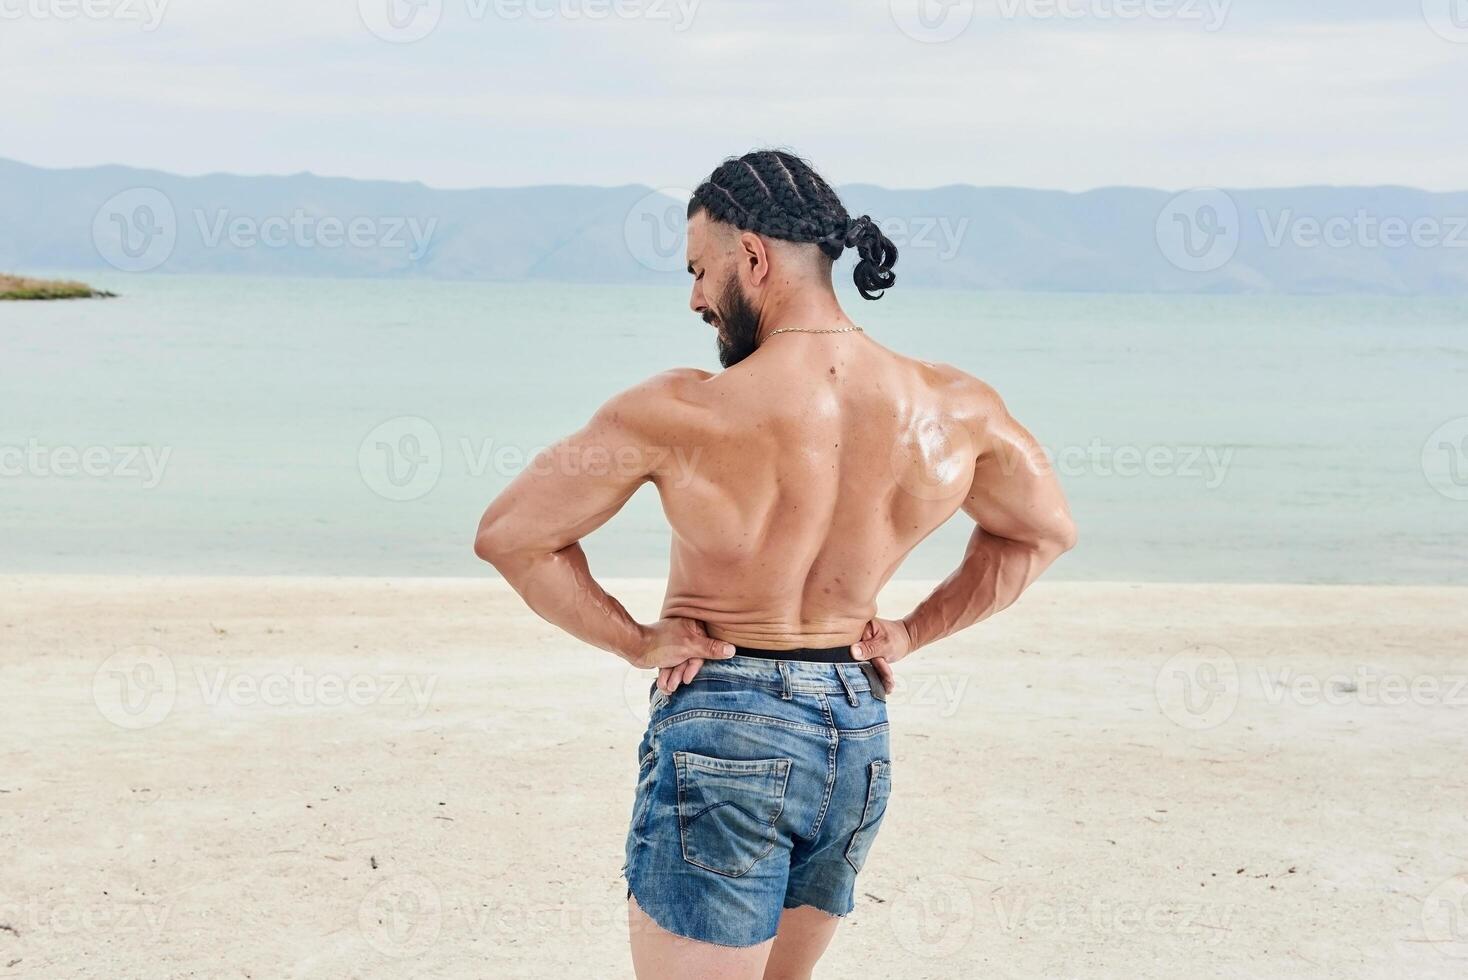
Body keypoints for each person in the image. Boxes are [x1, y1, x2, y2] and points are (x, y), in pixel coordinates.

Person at [474, 149, 1077, 979]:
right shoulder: (953, 406)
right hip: (854, 730)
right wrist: (908, 632)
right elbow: (1042, 533)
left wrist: (636, 641)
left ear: (751, 257)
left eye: (696, 269)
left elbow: (511, 534)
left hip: (725, 722)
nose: (692, 297)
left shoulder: (681, 408)